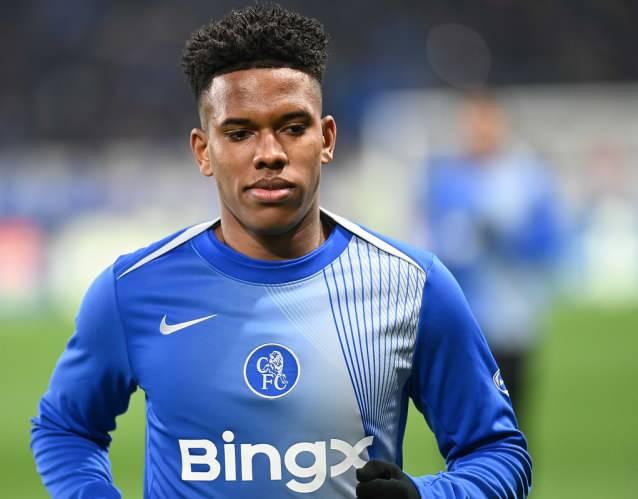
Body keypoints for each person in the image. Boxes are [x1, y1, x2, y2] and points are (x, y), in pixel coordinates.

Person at [31, 5, 532, 498]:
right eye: (239, 133)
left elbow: (498, 452)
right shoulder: (133, 289)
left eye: (292, 127)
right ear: (204, 151)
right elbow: (65, 428)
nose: (269, 153)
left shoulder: (412, 286)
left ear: (327, 139)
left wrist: (426, 497)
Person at [423, 92, 563, 422]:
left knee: (513, 415)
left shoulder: (527, 177)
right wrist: (463, 244)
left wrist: (510, 237)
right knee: (466, 418)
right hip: (465, 317)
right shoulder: (446, 180)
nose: (479, 132)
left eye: (486, 124)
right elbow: (434, 245)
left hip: (514, 316)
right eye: (473, 124)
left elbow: (549, 243)